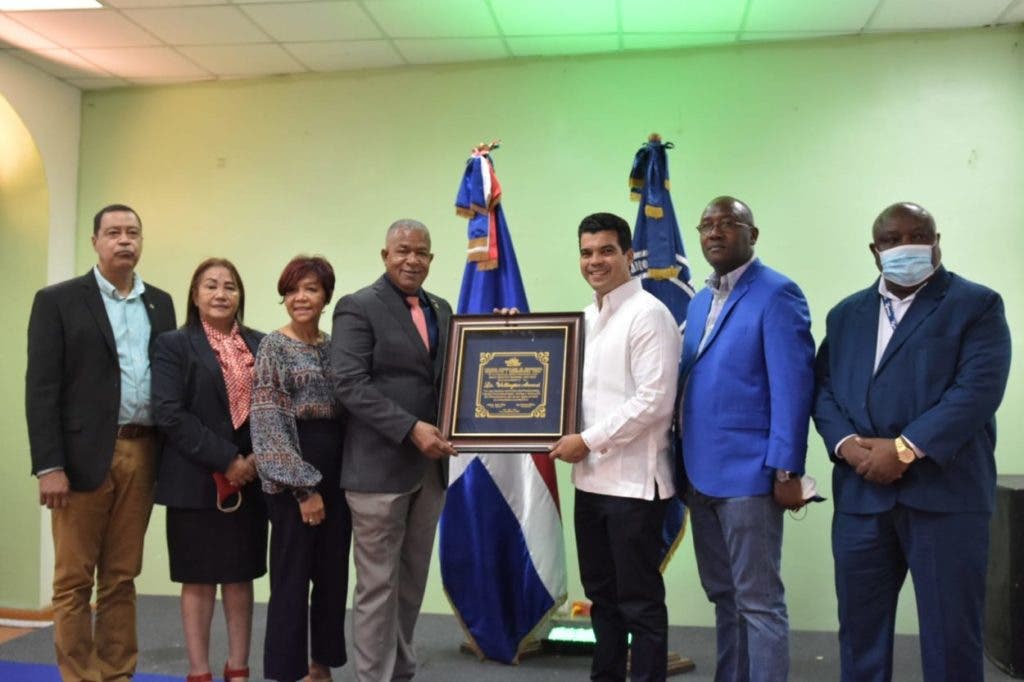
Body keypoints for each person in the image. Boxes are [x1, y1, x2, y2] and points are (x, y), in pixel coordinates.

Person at [812, 202, 1011, 682]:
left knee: (951, 637)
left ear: (937, 239)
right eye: (893, 240)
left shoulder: (976, 304)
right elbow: (823, 389)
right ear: (874, 250)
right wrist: (845, 445)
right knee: (859, 633)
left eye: (919, 236)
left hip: (945, 497)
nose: (907, 247)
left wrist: (904, 448)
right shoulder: (846, 315)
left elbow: (977, 390)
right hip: (862, 498)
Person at [25, 204, 177, 682]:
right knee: (73, 581)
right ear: (95, 241)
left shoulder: (161, 303)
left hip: (143, 452)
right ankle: (79, 676)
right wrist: (49, 465)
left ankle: (117, 673)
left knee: (121, 577)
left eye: (133, 232)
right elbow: (42, 389)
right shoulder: (59, 301)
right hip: (80, 458)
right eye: (113, 232)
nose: (124, 240)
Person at [677, 196, 814, 682]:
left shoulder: (778, 294)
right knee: (724, 596)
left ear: (752, 234)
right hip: (697, 473)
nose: (714, 232)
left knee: (758, 602)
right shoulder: (697, 301)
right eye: (706, 224)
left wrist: (785, 470)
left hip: (750, 475)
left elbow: (793, 389)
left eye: (727, 224)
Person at [547, 212, 680, 682]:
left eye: (606, 250)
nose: (595, 261)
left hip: (634, 486)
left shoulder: (650, 315)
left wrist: (587, 440)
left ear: (628, 255)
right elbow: (556, 385)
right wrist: (514, 336)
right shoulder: (584, 319)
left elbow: (654, 401)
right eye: (586, 252)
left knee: (639, 603)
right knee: (602, 598)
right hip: (591, 483)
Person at [331, 219, 455, 682]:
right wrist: (410, 429)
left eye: (422, 252)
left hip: (429, 471)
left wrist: (495, 334)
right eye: (403, 251)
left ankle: (398, 673)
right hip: (377, 471)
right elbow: (348, 384)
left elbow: (459, 371)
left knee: (410, 584)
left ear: (431, 259)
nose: (412, 260)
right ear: (385, 255)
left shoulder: (441, 309)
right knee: (378, 587)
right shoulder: (357, 307)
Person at [152, 258, 267, 682]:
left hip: (251, 482)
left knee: (239, 580)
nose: (221, 294)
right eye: (211, 286)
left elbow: (272, 408)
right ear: (195, 295)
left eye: (230, 286)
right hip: (194, 480)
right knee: (198, 581)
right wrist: (227, 460)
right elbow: (169, 413)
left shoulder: (261, 343)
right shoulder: (173, 344)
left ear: (240, 295)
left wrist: (253, 458)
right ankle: (198, 672)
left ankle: (238, 669)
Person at [252, 256, 350, 682]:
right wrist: (304, 490)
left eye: (310, 289)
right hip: (295, 470)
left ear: (326, 295)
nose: (300, 298)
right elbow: (269, 422)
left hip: (339, 470)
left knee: (331, 576)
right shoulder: (274, 346)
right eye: (293, 290)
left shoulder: (333, 346)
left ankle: (321, 666)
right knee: (292, 581)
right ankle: (286, 672)